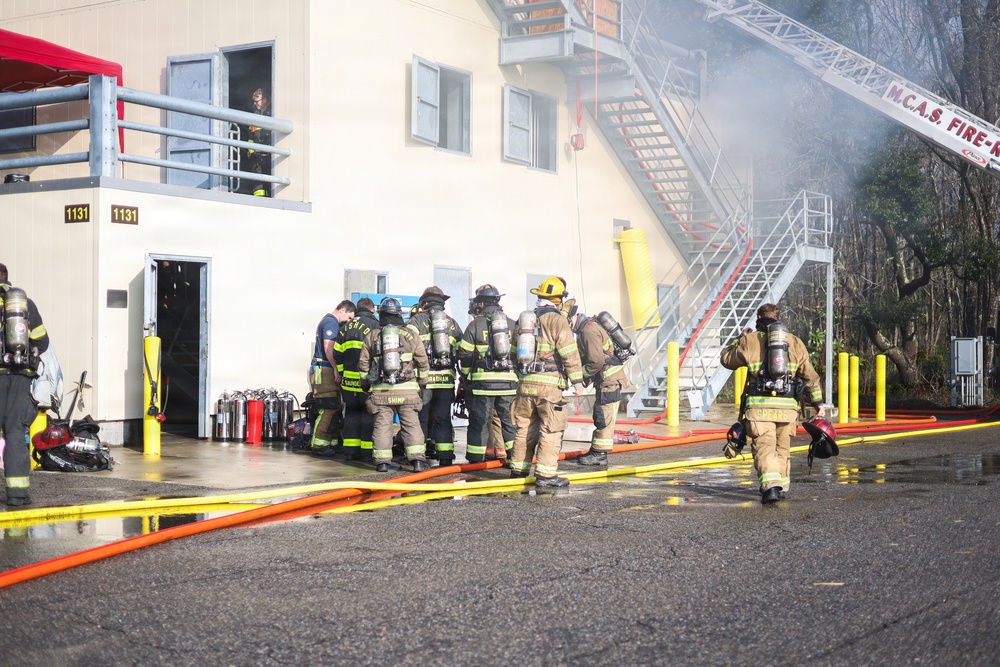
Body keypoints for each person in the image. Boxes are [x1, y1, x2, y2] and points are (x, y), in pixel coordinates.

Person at [720, 303, 824, 504]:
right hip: (788, 411)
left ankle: (770, 487)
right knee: (782, 449)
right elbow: (811, 377)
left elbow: (726, 359)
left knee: (765, 448)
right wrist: (818, 403)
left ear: (759, 317)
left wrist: (740, 338)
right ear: (778, 318)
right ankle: (782, 485)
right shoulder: (794, 342)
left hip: (759, 410)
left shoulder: (750, 341)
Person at [509, 276, 584, 488]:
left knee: (524, 427)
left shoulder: (526, 320)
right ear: (559, 299)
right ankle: (546, 476)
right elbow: (569, 352)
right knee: (551, 429)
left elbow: (514, 353)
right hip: (549, 387)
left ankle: (518, 470)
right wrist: (577, 381)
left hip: (525, 386)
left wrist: (522, 377)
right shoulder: (557, 320)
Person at [357, 297, 430, 472]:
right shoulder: (411, 335)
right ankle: (417, 461)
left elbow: (363, 365)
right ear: (399, 315)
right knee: (411, 425)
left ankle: (382, 463)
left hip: (381, 393)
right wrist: (422, 383)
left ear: (380, 315)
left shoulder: (373, 336)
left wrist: (365, 385)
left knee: (382, 425)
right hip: (408, 392)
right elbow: (423, 362)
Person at [0, 263, 49, 506]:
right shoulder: (23, 304)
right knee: (16, 435)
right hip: (19, 378)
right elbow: (43, 341)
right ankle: (17, 496)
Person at [458, 285, 518, 463]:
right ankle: (516, 460)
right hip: (509, 385)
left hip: (482, 386)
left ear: (481, 303)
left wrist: (466, 376)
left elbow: (465, 354)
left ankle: (476, 460)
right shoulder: (513, 324)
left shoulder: (475, 325)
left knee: (479, 422)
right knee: (509, 423)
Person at [406, 287, 462, 466]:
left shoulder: (416, 321)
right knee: (443, 418)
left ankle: (419, 458)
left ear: (424, 302)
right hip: (446, 380)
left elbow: (404, 345)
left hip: (424, 381)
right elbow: (462, 351)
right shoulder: (452, 323)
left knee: (421, 418)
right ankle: (445, 456)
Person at [568, 302, 628, 466]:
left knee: (604, 417)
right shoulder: (585, 330)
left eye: (568, 322)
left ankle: (600, 454)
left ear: (573, 318)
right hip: (605, 380)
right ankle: (596, 451)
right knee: (600, 415)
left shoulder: (588, 331)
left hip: (609, 380)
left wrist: (581, 376)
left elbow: (595, 361)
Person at [334, 297, 379, 462]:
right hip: (365, 382)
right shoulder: (374, 325)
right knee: (368, 416)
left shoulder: (345, 328)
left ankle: (350, 452)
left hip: (347, 383)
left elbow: (337, 353)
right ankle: (366, 453)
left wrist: (342, 372)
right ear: (371, 309)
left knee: (351, 415)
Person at [309, 299, 356, 457]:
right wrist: (336, 369)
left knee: (335, 407)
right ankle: (319, 444)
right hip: (325, 369)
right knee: (328, 406)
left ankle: (331, 442)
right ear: (342, 310)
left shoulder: (329, 321)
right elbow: (329, 347)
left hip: (325, 368)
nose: (349, 322)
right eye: (349, 317)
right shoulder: (331, 323)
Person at [247, 88, 272, 197]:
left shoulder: (272, 112)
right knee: (258, 180)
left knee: (270, 179)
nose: (255, 104)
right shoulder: (256, 115)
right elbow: (251, 136)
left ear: (265, 100)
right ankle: (260, 201)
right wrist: (251, 151)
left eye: (257, 101)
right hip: (257, 155)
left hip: (269, 153)